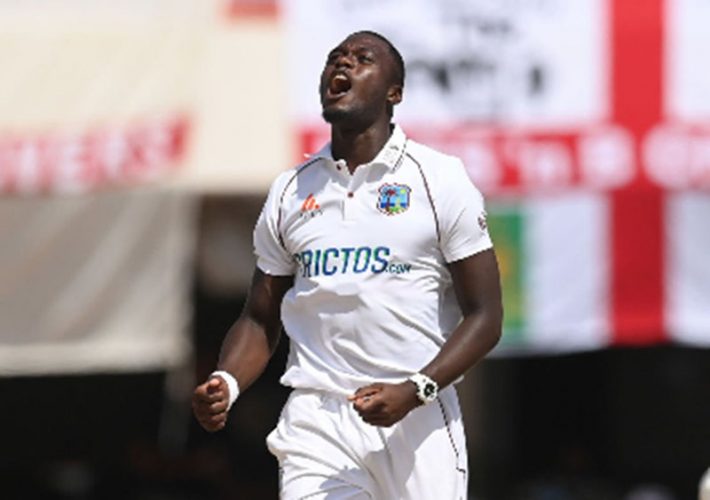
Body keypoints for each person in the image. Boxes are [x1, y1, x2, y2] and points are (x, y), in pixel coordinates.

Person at [192, 30, 503, 500]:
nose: (343, 65)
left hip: (417, 417)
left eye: (362, 58)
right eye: (335, 58)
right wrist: (228, 380)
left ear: (393, 93)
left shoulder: (439, 179)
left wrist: (416, 388)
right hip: (319, 421)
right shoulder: (289, 192)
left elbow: (486, 317)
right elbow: (259, 317)